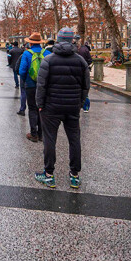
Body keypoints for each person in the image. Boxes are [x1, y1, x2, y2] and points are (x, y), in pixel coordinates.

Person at [34, 27, 89, 190]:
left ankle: (49, 175)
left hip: (51, 107)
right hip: (72, 107)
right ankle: (74, 176)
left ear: (58, 40)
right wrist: (79, 103)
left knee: (50, 139)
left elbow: (41, 85)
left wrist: (40, 104)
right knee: (74, 139)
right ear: (72, 41)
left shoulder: (48, 60)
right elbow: (86, 86)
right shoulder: (80, 61)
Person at [18, 33, 51, 142]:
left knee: (32, 108)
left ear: (30, 43)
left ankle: (33, 134)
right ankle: (41, 134)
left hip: (30, 85)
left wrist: (26, 80)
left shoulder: (27, 54)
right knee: (41, 109)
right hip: (44, 86)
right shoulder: (47, 53)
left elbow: (21, 71)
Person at [77, 41, 93, 112]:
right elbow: (90, 60)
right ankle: (85, 107)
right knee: (84, 88)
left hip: (74, 72)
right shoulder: (85, 49)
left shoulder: (72, 51)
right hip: (83, 71)